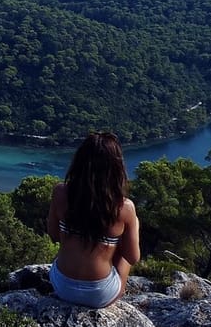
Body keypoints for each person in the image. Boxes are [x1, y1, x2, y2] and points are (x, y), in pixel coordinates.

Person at [45, 132, 140, 308]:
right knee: (122, 244)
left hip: (61, 286)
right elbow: (133, 257)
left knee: (74, 238)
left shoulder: (60, 192)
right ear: (116, 167)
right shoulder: (124, 207)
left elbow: (54, 235)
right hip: (100, 295)